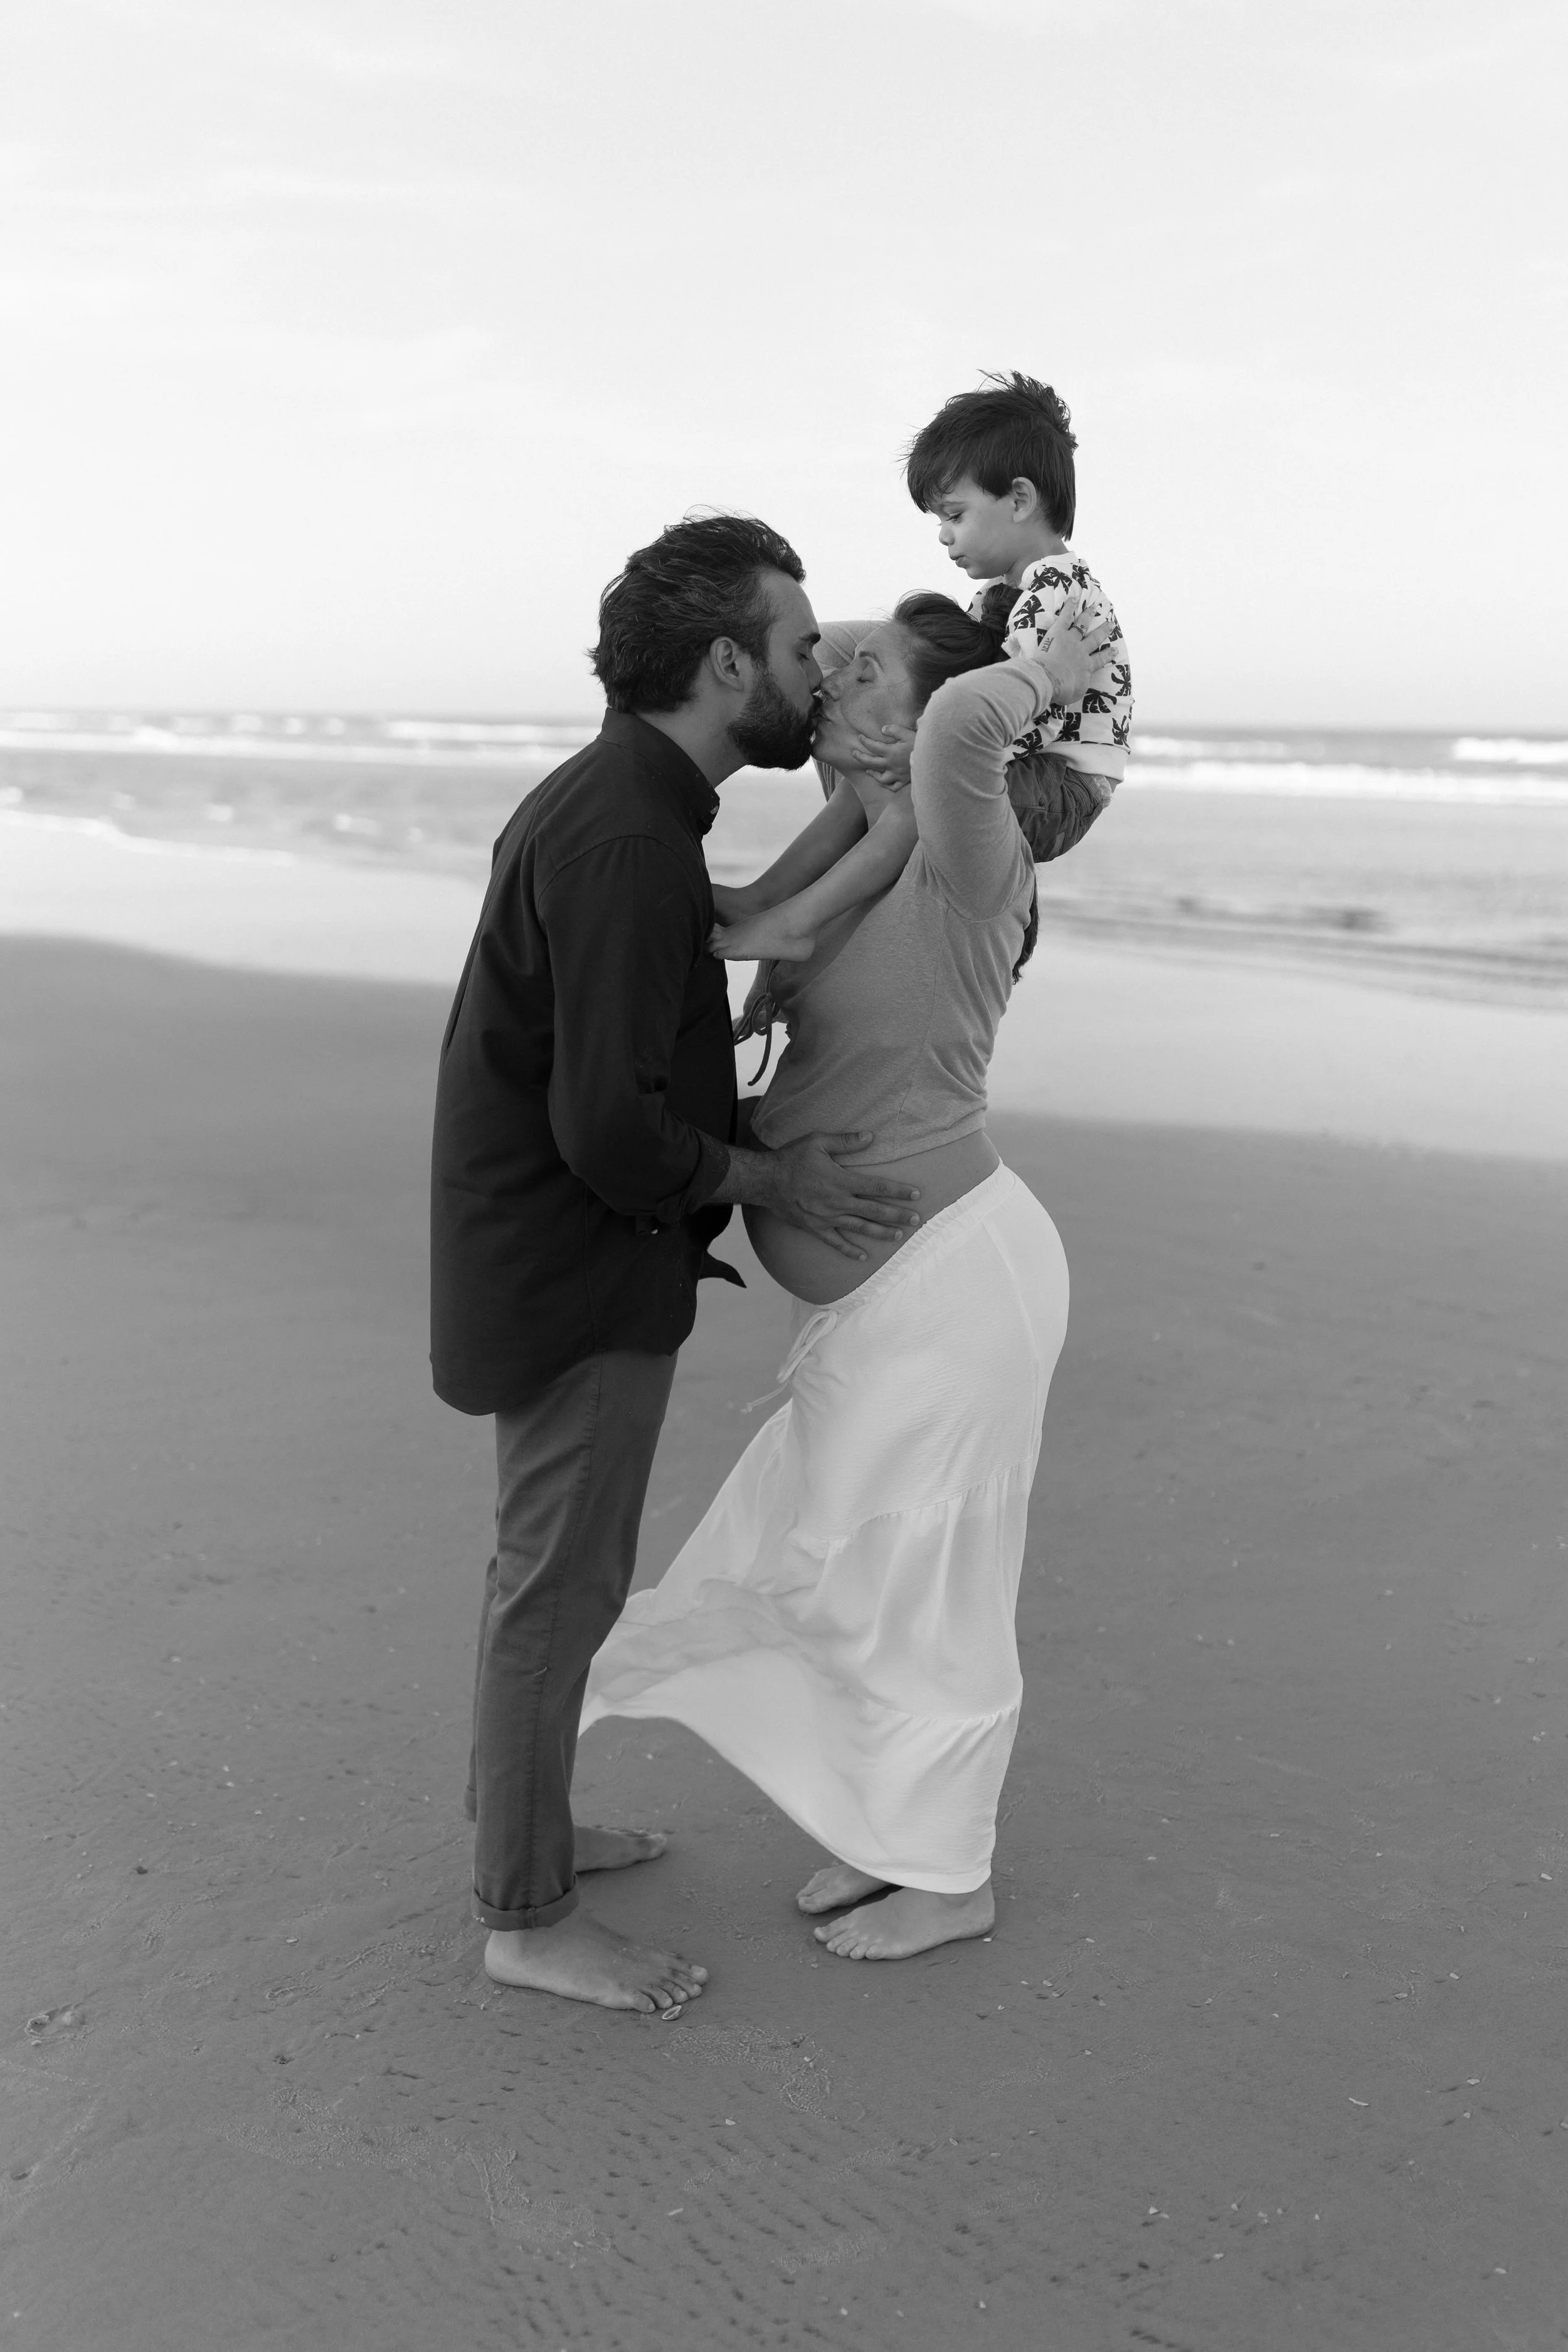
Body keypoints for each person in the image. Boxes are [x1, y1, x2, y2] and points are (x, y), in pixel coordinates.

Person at [429, 513, 927, 2016]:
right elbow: (608, 1128)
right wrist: (777, 1170)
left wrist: (872, 806)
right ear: (725, 662)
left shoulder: (635, 808)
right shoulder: (623, 829)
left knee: (549, 1574)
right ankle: (526, 1912)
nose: (813, 670)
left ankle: (525, 1825)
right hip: (576, 1268)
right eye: (795, 648)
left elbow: (749, 928)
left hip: (558, 1254)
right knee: (558, 1587)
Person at [581, 591, 1113, 1964]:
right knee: (846, 1585)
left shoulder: (963, 846)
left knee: (926, 1593)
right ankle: (894, 1840)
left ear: (923, 720)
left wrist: (1047, 662)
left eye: (862, 666)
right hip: (897, 1303)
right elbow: (748, 916)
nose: (825, 670)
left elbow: (955, 738)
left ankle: (952, 1877)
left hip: (952, 1285)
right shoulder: (872, 845)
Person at [707, 371, 1130, 972]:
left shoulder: (1056, 590)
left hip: (1062, 785)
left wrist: (933, 754)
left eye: (954, 514)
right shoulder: (1001, 596)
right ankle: (766, 897)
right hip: (1033, 763)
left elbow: (1017, 710)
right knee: (875, 775)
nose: (943, 536)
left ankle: (796, 922)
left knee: (913, 794)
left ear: (1019, 499)